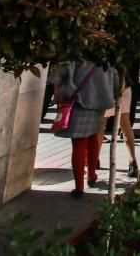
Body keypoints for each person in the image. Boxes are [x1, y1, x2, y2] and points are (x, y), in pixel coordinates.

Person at [48, 60, 118, 199]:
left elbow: (57, 73)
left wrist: (57, 94)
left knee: (79, 144)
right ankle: (91, 175)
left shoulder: (76, 56)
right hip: (98, 103)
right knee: (93, 138)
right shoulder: (105, 57)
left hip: (78, 103)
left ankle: (79, 187)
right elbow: (115, 82)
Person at [104, 66, 139, 178]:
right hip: (124, 84)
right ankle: (132, 161)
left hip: (105, 86)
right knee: (125, 124)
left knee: (100, 126)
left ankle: (94, 160)